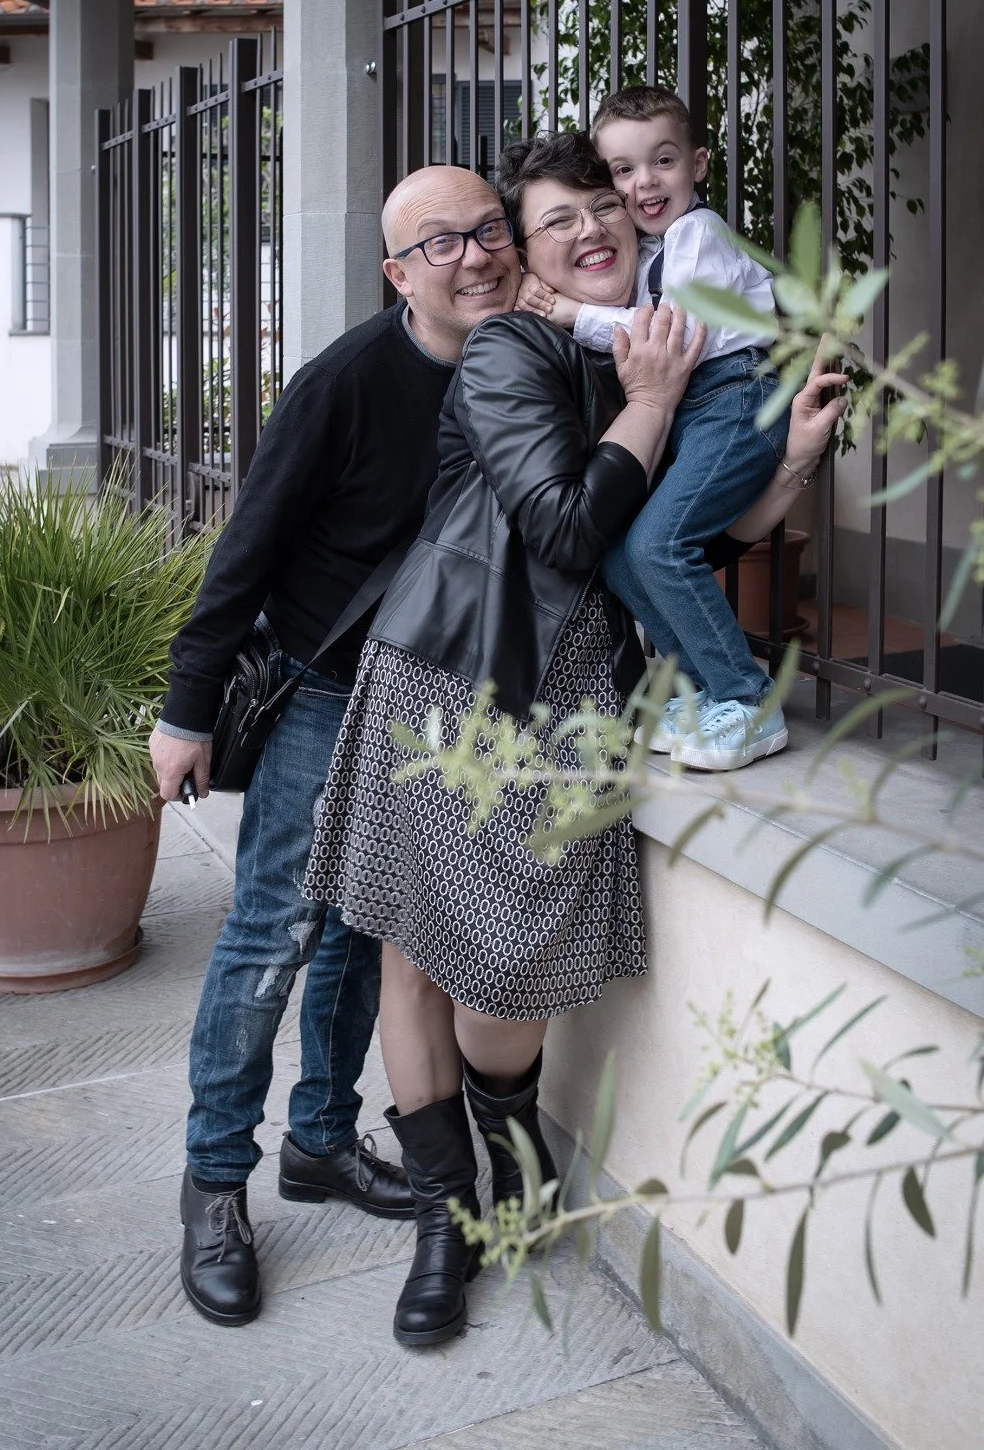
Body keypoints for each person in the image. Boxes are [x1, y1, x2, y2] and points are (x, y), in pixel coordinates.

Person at [304, 130, 846, 1353]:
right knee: (413, 960)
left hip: (570, 701)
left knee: (508, 973)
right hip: (449, 678)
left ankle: (513, 1154)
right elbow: (559, 528)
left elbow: (680, 541)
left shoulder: (642, 348)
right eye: (555, 220)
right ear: (530, 259)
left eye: (602, 205)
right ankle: (448, 1215)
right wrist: (647, 404)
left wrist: (790, 460)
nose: (592, 227)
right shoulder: (512, 349)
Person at [148, 165, 522, 1327]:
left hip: (441, 708)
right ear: (397, 272)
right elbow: (246, 545)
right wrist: (185, 707)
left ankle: (320, 1140)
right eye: (441, 242)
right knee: (274, 936)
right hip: (327, 687)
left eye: (488, 230)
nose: (474, 255)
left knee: (367, 942)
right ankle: (215, 1181)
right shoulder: (346, 382)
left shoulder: (529, 363)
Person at [517, 87, 801, 771]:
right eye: (623, 169)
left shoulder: (698, 235)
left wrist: (570, 315)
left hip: (734, 401)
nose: (644, 182)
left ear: (697, 164)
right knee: (624, 556)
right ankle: (705, 693)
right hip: (700, 409)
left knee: (660, 546)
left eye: (663, 161)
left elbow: (672, 339)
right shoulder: (650, 249)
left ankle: (748, 698)